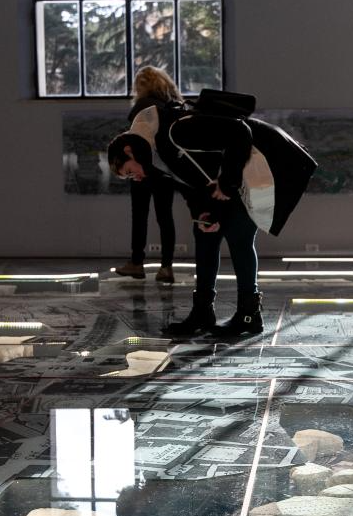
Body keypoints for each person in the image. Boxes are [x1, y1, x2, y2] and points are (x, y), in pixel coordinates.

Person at [107, 91, 316, 338]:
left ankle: (249, 314)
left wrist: (227, 183)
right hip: (240, 175)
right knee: (205, 234)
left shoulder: (176, 130)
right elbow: (192, 184)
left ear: (130, 151)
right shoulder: (158, 151)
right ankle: (202, 312)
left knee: (239, 235)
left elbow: (239, 132)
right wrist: (204, 213)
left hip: (269, 160)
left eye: (130, 172)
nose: (136, 178)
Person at [114, 67, 179, 284]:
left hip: (142, 167)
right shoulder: (170, 106)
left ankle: (137, 263)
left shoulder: (141, 107)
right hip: (165, 170)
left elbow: (134, 140)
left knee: (140, 215)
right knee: (165, 217)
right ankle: (166, 267)